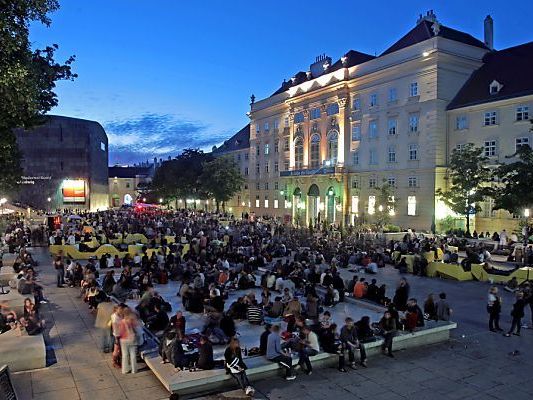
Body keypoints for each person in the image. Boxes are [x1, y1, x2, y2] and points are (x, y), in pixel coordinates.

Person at [118, 309, 139, 374]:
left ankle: (125, 370)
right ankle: (134, 370)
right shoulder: (131, 321)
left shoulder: (121, 322)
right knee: (133, 355)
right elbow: (137, 328)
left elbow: (120, 332)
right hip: (132, 339)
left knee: (125, 355)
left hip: (123, 340)